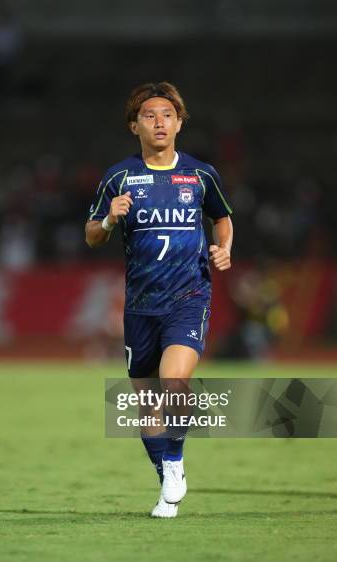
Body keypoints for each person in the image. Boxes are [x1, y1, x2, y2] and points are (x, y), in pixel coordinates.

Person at [85, 82, 233, 518]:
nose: (160, 122)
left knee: (174, 383)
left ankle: (174, 462)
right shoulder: (119, 177)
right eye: (149, 116)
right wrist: (110, 218)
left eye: (167, 115)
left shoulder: (201, 175)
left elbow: (222, 219)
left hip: (189, 296)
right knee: (146, 406)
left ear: (180, 123)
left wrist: (224, 247)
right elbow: (91, 234)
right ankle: (166, 473)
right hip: (140, 307)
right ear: (135, 126)